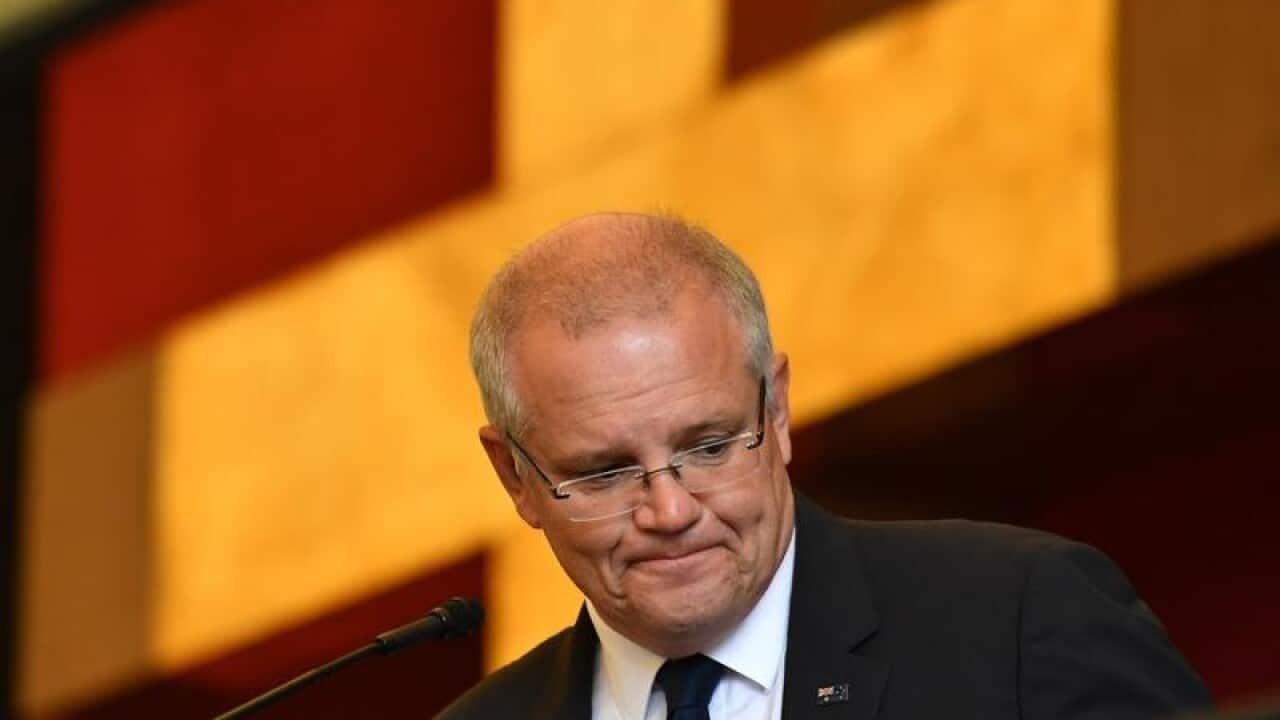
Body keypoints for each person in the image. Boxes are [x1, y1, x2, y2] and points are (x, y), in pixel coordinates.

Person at [438, 213, 1211, 719]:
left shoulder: (1017, 624)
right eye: (605, 473)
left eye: (708, 447)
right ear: (515, 477)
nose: (670, 512)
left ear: (776, 411)